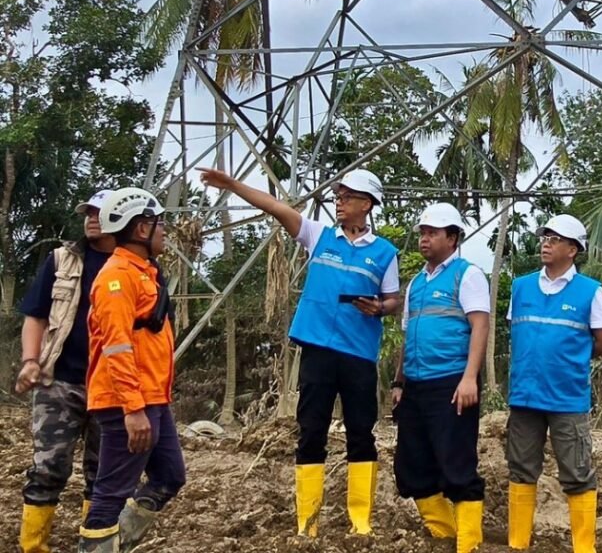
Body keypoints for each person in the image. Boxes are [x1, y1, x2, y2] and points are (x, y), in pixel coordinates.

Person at [199, 166, 399, 537]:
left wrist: (380, 308)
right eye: (338, 196)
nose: (339, 202)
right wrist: (231, 184)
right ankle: (307, 522)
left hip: (358, 356)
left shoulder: (385, 252)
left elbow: (393, 300)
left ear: (367, 204)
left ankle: (361, 521)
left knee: (361, 434)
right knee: (311, 432)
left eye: (347, 197)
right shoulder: (319, 235)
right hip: (318, 351)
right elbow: (275, 207)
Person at [78, 187, 185, 553]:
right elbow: (116, 346)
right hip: (128, 403)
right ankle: (96, 545)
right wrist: (133, 409)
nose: (165, 231)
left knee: (169, 476)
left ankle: (117, 543)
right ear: (141, 229)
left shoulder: (144, 273)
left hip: (152, 398)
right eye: (160, 224)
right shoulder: (117, 278)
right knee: (109, 494)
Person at [505, 214, 602, 553]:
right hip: (525, 397)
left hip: (567, 399)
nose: (546, 243)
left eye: (555, 239)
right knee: (521, 470)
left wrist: (571, 358)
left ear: (574, 249)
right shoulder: (520, 286)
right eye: (545, 237)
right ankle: (517, 544)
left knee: (577, 472)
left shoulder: (591, 292)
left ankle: (584, 547)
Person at [16, 189, 115, 553]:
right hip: (59, 382)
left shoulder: (135, 266)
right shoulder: (62, 260)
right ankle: (33, 547)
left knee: (103, 474)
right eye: (88, 212)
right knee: (47, 469)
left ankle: (94, 545)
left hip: (112, 387)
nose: (91, 218)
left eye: (99, 212)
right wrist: (30, 361)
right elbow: (36, 315)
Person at [392, 203, 490, 553]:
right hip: (417, 386)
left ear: (452, 237)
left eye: (432, 233)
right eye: (422, 232)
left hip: (452, 382)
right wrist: (399, 382)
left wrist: (469, 379)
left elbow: (480, 325)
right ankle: (444, 536)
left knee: (457, 466)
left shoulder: (468, 274)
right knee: (411, 467)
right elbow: (407, 336)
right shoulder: (417, 282)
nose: (424, 239)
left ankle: (468, 543)